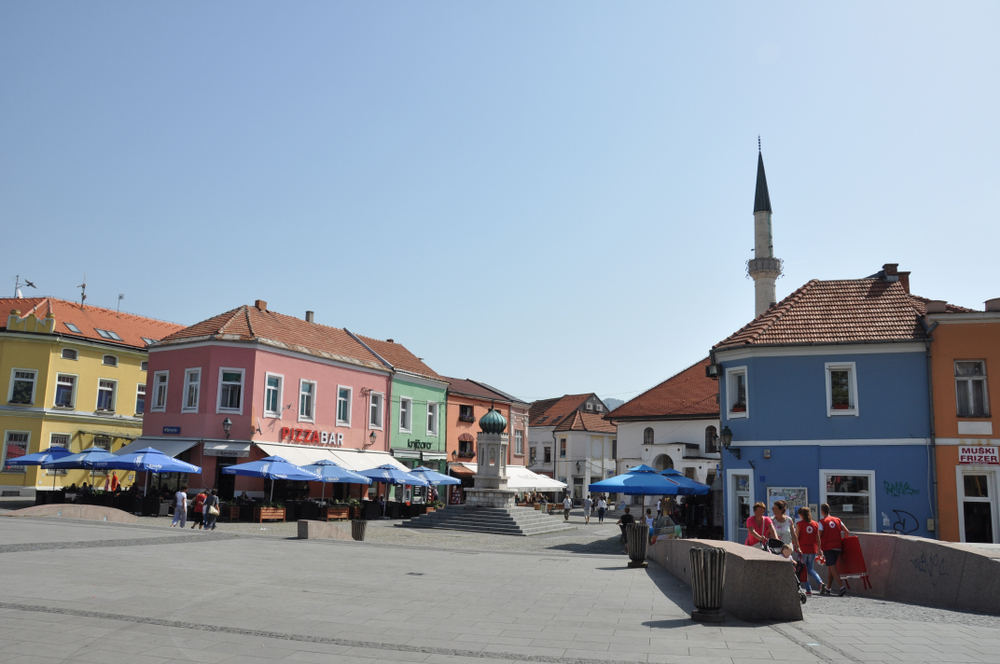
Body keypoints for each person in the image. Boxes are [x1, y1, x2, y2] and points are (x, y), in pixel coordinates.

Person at [819, 503, 851, 596]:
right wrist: (844, 542)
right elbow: (846, 531)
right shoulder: (837, 520)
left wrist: (818, 547)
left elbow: (819, 535)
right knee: (831, 567)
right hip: (838, 545)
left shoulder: (822, 521)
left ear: (822, 511)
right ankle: (828, 588)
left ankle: (842, 587)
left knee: (832, 566)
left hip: (827, 546)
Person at [795, 507, 826, 596]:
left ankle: (808, 589)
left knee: (804, 570)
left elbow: (796, 536)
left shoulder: (799, 524)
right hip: (812, 549)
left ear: (801, 515)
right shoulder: (815, 524)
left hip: (802, 549)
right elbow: (818, 539)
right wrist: (820, 550)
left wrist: (796, 546)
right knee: (810, 568)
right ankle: (820, 582)